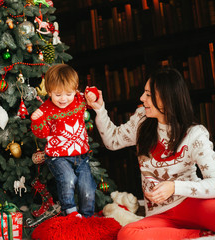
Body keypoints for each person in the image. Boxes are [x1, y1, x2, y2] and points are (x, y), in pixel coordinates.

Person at [86, 67, 215, 239]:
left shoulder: (195, 134)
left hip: (193, 205)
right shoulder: (141, 121)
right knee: (127, 234)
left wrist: (174, 187)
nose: (141, 98)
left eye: (148, 94)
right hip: (160, 214)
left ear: (166, 98)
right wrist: (100, 109)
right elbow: (112, 141)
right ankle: (200, 234)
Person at [30, 64, 97, 218]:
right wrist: (36, 121)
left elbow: (92, 94)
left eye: (68, 94)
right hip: (57, 157)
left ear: (75, 90)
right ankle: (71, 212)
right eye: (58, 95)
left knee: (87, 187)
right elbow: (42, 133)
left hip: (81, 155)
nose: (64, 99)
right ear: (49, 91)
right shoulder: (46, 109)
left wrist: (93, 94)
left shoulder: (80, 99)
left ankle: (87, 218)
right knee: (68, 179)